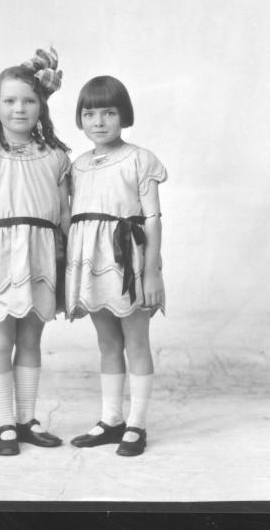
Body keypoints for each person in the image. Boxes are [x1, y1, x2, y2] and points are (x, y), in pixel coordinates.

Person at [0, 48, 70, 456]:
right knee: (0, 337)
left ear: (41, 105)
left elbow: (64, 216)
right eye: (9, 100)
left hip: (41, 255)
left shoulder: (56, 156)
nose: (19, 108)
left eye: (28, 100)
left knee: (32, 338)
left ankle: (26, 420)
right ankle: (4, 423)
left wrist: (67, 262)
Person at [66, 75, 167, 456]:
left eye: (108, 112)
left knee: (136, 342)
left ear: (124, 115)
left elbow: (154, 219)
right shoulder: (77, 166)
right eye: (89, 113)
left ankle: (136, 424)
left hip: (131, 262)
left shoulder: (140, 159)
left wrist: (153, 271)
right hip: (93, 264)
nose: (98, 121)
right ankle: (111, 420)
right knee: (108, 343)